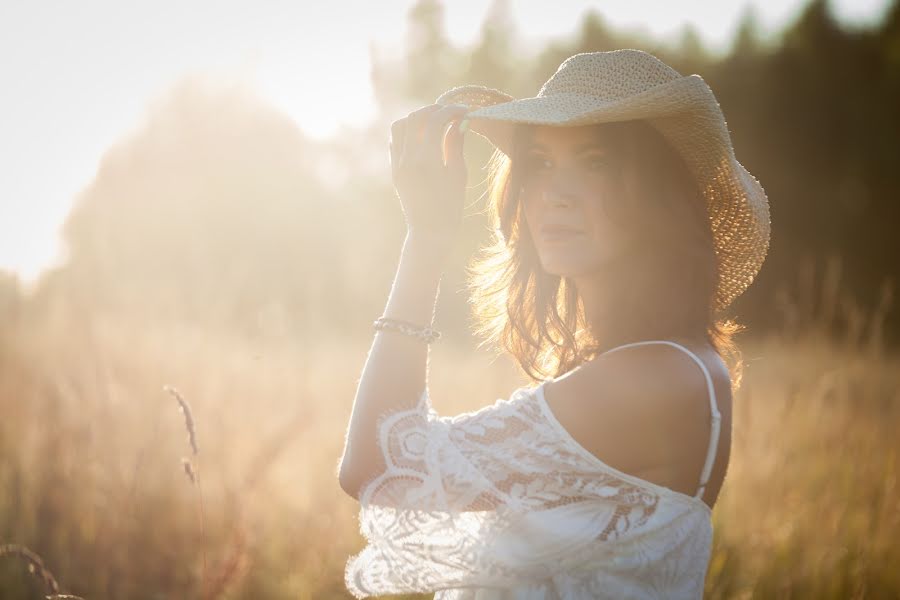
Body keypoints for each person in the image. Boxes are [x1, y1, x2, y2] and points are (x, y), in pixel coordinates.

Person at [338, 49, 771, 599]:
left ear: (659, 196)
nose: (555, 194)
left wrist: (425, 240)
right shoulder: (665, 363)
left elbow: (378, 467)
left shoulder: (654, 379)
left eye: (595, 162)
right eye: (539, 163)